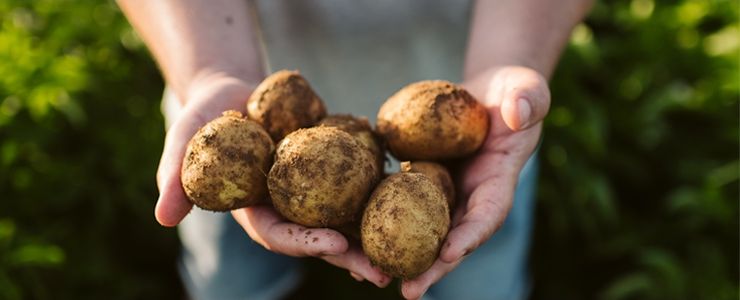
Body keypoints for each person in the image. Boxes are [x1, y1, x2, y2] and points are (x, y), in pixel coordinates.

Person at [117, 0, 593, 299]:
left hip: (486, 131)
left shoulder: (452, 152)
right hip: (233, 85)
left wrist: (511, 58)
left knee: (478, 265)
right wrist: (209, 70)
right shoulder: (252, 137)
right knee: (231, 279)